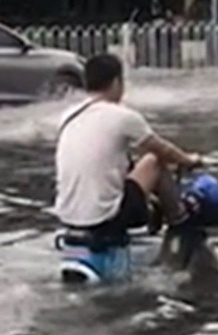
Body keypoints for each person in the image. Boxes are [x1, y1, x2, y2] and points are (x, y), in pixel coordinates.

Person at [54, 54, 201, 245]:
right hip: (105, 218)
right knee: (154, 161)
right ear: (116, 82)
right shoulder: (123, 116)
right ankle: (179, 222)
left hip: (67, 217)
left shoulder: (67, 116)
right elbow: (163, 150)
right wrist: (188, 160)